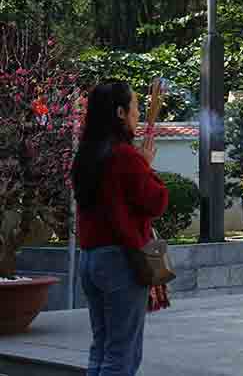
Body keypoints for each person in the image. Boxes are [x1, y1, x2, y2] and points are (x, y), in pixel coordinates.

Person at [72, 81, 169, 376]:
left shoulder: (86, 154)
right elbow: (156, 201)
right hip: (119, 261)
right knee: (122, 355)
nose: (139, 113)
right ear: (119, 112)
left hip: (91, 259)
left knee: (102, 348)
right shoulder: (125, 157)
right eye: (135, 107)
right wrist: (147, 164)